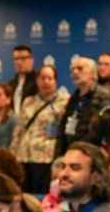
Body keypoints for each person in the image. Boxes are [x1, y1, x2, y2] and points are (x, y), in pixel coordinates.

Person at [13, 63, 69, 194]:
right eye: (43, 78)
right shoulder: (28, 101)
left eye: (50, 78)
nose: (46, 82)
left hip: (45, 157)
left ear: (55, 81)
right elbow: (19, 130)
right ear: (37, 80)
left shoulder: (64, 102)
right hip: (24, 156)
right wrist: (13, 153)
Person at [58, 56, 110, 154]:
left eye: (80, 69)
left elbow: (105, 112)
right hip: (70, 147)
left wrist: (98, 117)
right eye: (73, 70)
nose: (75, 72)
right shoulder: (74, 98)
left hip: (91, 148)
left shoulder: (103, 95)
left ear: (92, 73)